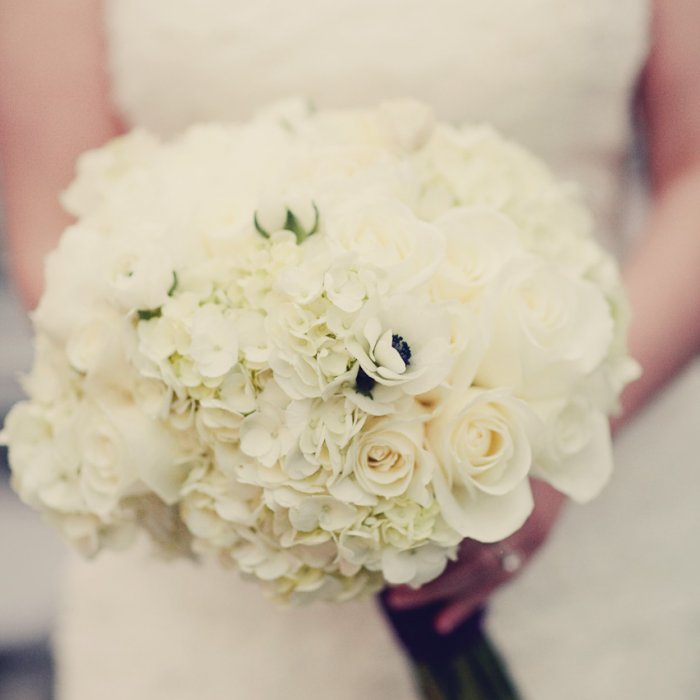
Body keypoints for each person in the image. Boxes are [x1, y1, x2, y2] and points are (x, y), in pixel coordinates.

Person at [0, 1, 698, 697]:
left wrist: (541, 454)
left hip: (587, 492)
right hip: (220, 577)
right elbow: (53, 224)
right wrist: (237, 448)